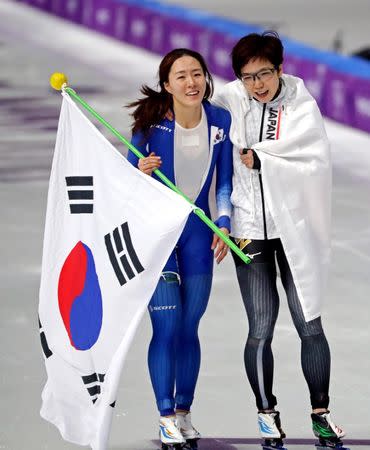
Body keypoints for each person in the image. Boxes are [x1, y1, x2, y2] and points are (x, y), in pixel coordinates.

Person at [214, 32, 346, 450]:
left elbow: (314, 161)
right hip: (249, 229)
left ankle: (321, 415)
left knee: (310, 324)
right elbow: (194, 127)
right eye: (248, 76)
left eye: (264, 73)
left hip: (295, 229)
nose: (258, 84)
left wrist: (266, 158)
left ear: (280, 68)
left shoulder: (300, 102)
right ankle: (266, 413)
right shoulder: (230, 100)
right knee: (261, 327)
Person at [127, 48, 233, 450]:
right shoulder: (151, 124)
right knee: (167, 326)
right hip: (158, 236)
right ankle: (166, 415)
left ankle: (185, 413)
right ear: (166, 84)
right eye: (181, 76)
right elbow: (126, 179)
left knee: (189, 327)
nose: (191, 83)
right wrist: (139, 171)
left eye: (197, 74)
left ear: (206, 79)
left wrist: (223, 223)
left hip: (198, 237)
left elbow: (224, 182)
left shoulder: (220, 120)